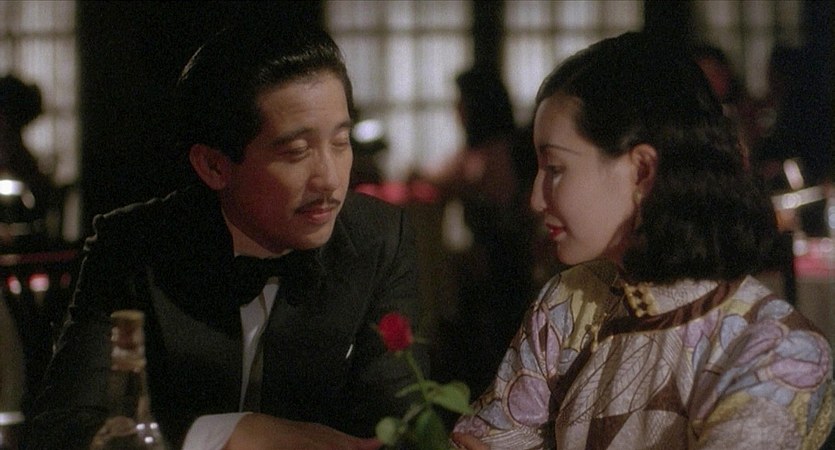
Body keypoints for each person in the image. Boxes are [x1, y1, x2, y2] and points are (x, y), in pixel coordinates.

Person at [27, 19, 426, 450]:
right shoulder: (132, 249)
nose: (329, 179)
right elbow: (63, 429)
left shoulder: (379, 240)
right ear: (214, 166)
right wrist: (227, 432)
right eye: (296, 151)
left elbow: (401, 424)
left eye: (341, 143)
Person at [451, 31, 833, 449]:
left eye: (556, 169)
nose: (536, 199)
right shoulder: (568, 304)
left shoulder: (780, 350)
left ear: (642, 171)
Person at [419, 66, 539, 404]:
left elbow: (499, 204)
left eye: (461, 101)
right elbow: (439, 176)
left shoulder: (501, 148)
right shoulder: (478, 148)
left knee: (493, 347)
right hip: (482, 264)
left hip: (502, 264)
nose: (456, 110)